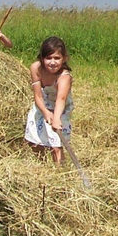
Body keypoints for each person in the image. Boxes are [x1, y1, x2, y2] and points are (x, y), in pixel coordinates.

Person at [24, 36, 73, 165]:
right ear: (42, 58)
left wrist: (56, 119)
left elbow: (61, 99)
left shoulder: (64, 77)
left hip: (60, 108)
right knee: (34, 140)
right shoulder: (36, 68)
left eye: (57, 58)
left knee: (56, 144)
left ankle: (60, 170)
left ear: (64, 59)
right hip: (42, 104)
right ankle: (42, 165)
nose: (52, 62)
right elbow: (38, 95)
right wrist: (45, 112)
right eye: (48, 58)